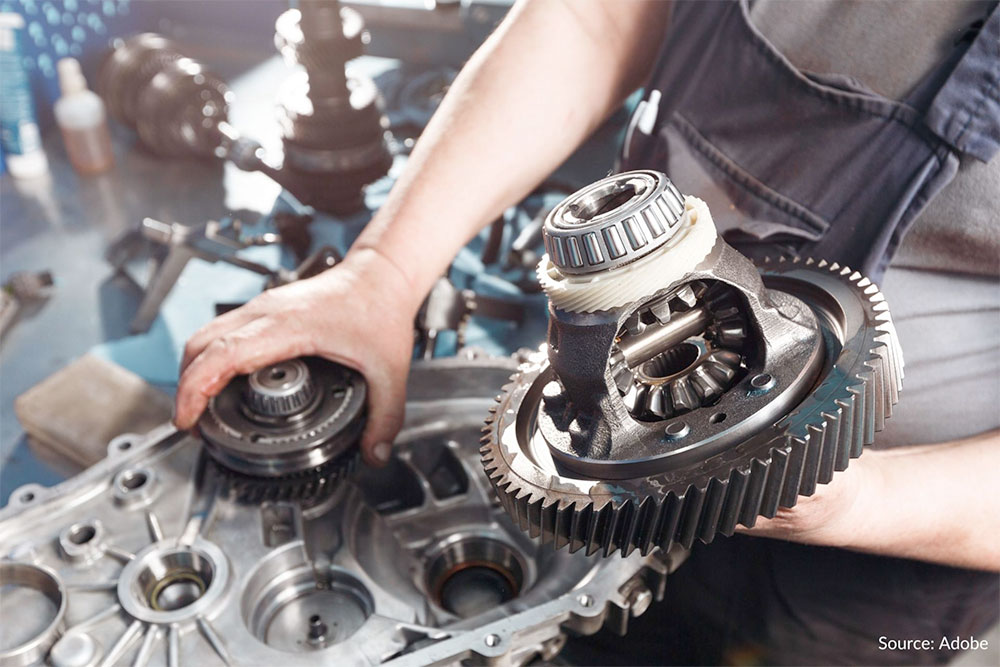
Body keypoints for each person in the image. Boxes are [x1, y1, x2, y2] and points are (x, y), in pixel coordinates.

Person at [175, 1, 1000, 664]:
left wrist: (850, 498)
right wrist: (384, 271)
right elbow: (595, 16)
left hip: (879, 574)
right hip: (609, 480)